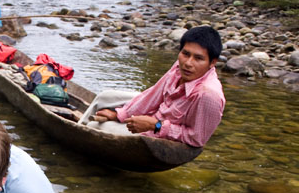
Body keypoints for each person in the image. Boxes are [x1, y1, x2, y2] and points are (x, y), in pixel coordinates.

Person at [95, 25, 225, 148]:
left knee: (95, 125)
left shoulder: (208, 95)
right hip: (156, 116)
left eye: (198, 58)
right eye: (185, 54)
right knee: (103, 97)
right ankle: (81, 124)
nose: (188, 63)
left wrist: (155, 125)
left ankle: (86, 127)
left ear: (212, 62)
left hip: (159, 139)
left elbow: (196, 139)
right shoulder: (180, 66)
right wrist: (121, 114)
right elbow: (153, 95)